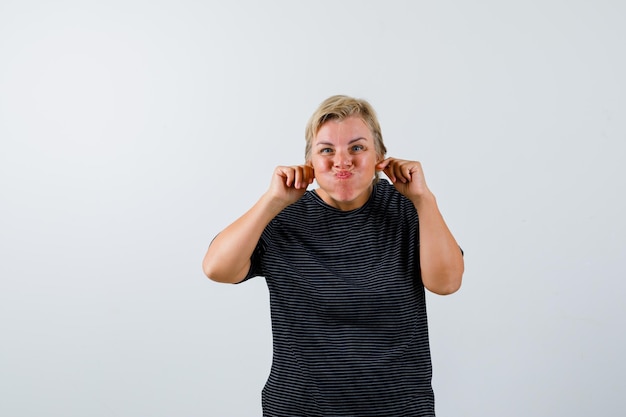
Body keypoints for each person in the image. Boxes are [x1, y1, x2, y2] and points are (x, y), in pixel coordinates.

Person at [202, 95, 464, 416]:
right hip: (300, 407)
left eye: (357, 148)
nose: (342, 161)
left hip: (398, 407)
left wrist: (425, 200)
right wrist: (272, 201)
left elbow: (447, 283)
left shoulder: (408, 210)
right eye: (327, 150)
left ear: (380, 156)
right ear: (309, 161)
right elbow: (217, 269)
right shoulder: (283, 216)